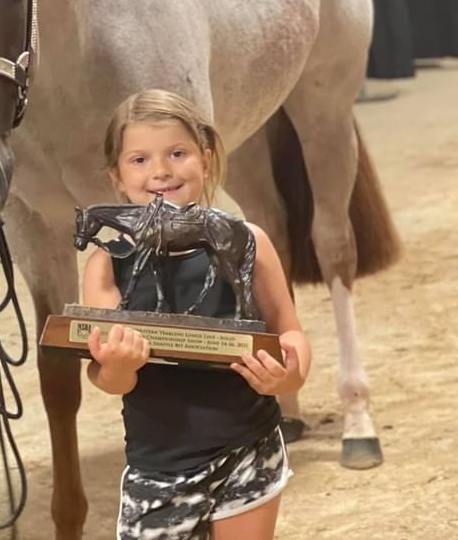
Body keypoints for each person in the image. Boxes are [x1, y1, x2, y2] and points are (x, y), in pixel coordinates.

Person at [82, 89, 312, 540]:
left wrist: (290, 378)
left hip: (249, 446)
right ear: (117, 175)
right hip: (159, 468)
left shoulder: (250, 241)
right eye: (139, 159)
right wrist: (119, 367)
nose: (161, 170)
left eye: (177, 152)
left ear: (206, 160)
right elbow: (106, 378)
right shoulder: (105, 266)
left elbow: (290, 331)